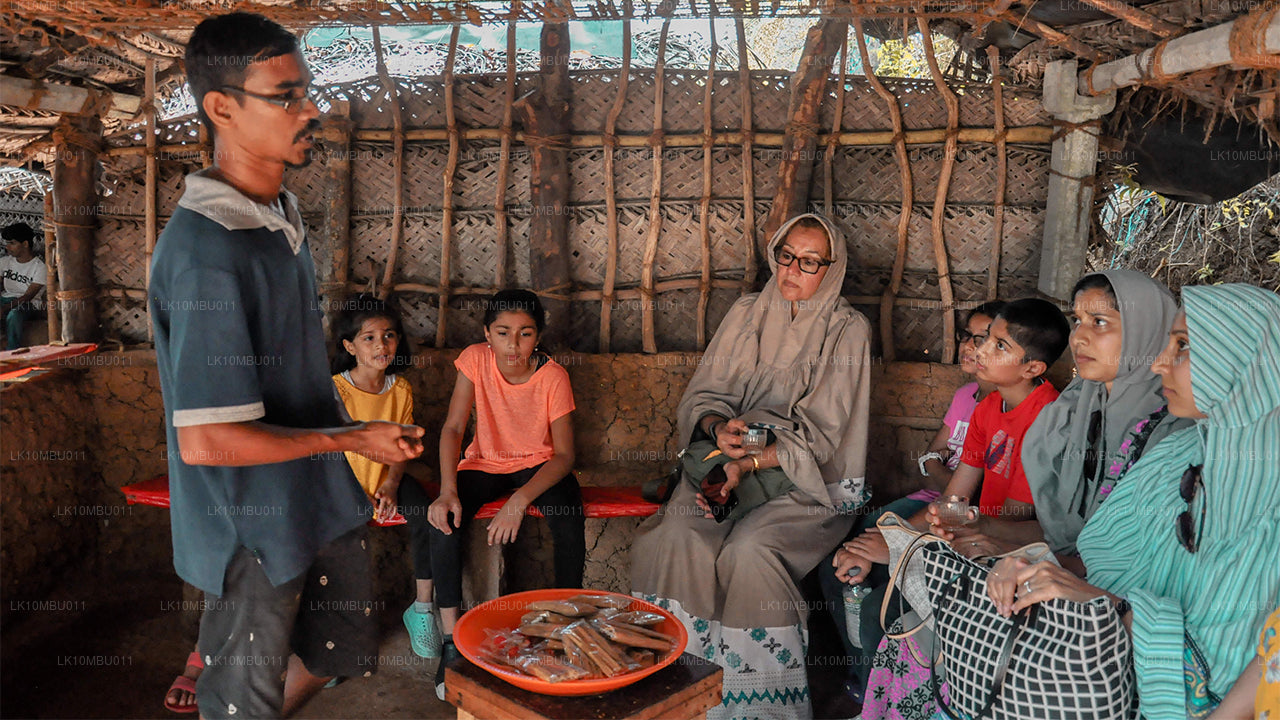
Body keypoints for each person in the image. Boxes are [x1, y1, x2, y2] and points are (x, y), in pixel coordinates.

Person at [149, 13, 424, 719]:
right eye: (288, 96)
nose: (313, 110)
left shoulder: (277, 214)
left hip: (314, 501)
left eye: (309, 92)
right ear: (222, 109)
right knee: (239, 698)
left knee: (334, 652)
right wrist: (355, 439)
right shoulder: (208, 255)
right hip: (251, 527)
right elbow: (208, 442)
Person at [986, 284, 1280, 720]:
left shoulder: (1267, 499)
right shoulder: (1178, 457)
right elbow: (1098, 564)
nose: (1160, 362)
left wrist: (1106, 604)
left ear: (1242, 360)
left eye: (1182, 347)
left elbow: (1221, 677)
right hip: (1101, 669)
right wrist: (1030, 563)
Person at [631, 213, 873, 720]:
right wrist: (719, 427)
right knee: (678, 536)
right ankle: (676, 690)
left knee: (749, 551)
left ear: (831, 269)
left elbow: (824, 433)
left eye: (810, 262)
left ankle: (755, 707)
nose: (793, 270)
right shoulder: (747, 311)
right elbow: (707, 392)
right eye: (786, 256)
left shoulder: (848, 329)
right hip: (726, 464)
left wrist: (754, 458)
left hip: (807, 483)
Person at [852, 298, 1068, 720]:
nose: (982, 351)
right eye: (987, 339)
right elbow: (957, 493)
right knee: (874, 592)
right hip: (975, 538)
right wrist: (921, 531)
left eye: (1000, 347)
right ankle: (873, 706)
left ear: (1033, 369)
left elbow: (1018, 516)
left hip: (1012, 552)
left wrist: (930, 536)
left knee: (880, 612)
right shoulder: (988, 407)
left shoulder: (1047, 417)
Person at [819, 301, 1003, 697]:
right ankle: (859, 675)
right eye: (967, 336)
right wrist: (945, 474)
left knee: (876, 587)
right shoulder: (966, 396)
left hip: (952, 514)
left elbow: (968, 491)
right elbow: (930, 459)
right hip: (933, 499)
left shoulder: (1006, 413)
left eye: (983, 339)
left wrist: (944, 476)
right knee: (837, 561)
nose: (970, 346)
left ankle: (877, 690)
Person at [427, 288, 585, 700]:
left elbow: (565, 455)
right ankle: (450, 642)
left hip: (540, 463)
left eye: (525, 333)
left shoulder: (553, 377)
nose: (513, 345)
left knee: (569, 516)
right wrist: (447, 491)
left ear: (538, 335)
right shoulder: (475, 359)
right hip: (485, 462)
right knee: (444, 521)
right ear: (487, 334)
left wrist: (519, 501)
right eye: (502, 333)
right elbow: (452, 427)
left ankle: (568, 628)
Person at [1022, 270, 1192, 567]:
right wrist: (983, 529)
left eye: (1099, 322)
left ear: (1146, 329)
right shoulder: (1074, 408)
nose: (1079, 337)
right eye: (1077, 321)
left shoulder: (1177, 427)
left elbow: (1149, 562)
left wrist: (1049, 567)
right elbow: (1062, 540)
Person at [330, 294, 441, 660]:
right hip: (343, 481)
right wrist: (355, 494)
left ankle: (422, 609)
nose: (382, 345)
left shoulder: (401, 389)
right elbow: (330, 452)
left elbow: (404, 446)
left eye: (389, 335)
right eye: (369, 338)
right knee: (340, 536)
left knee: (427, 514)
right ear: (350, 346)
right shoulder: (336, 389)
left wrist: (392, 484)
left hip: (385, 477)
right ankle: (335, 632)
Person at [1, 221, 46, 349]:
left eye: (12, 243)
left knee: (14, 314)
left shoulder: (39, 267)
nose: (7, 247)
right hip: (6, 298)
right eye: (7, 243)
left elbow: (28, 296)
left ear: (25, 244)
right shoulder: (5, 262)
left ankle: (12, 351)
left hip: (28, 304)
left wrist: (4, 309)